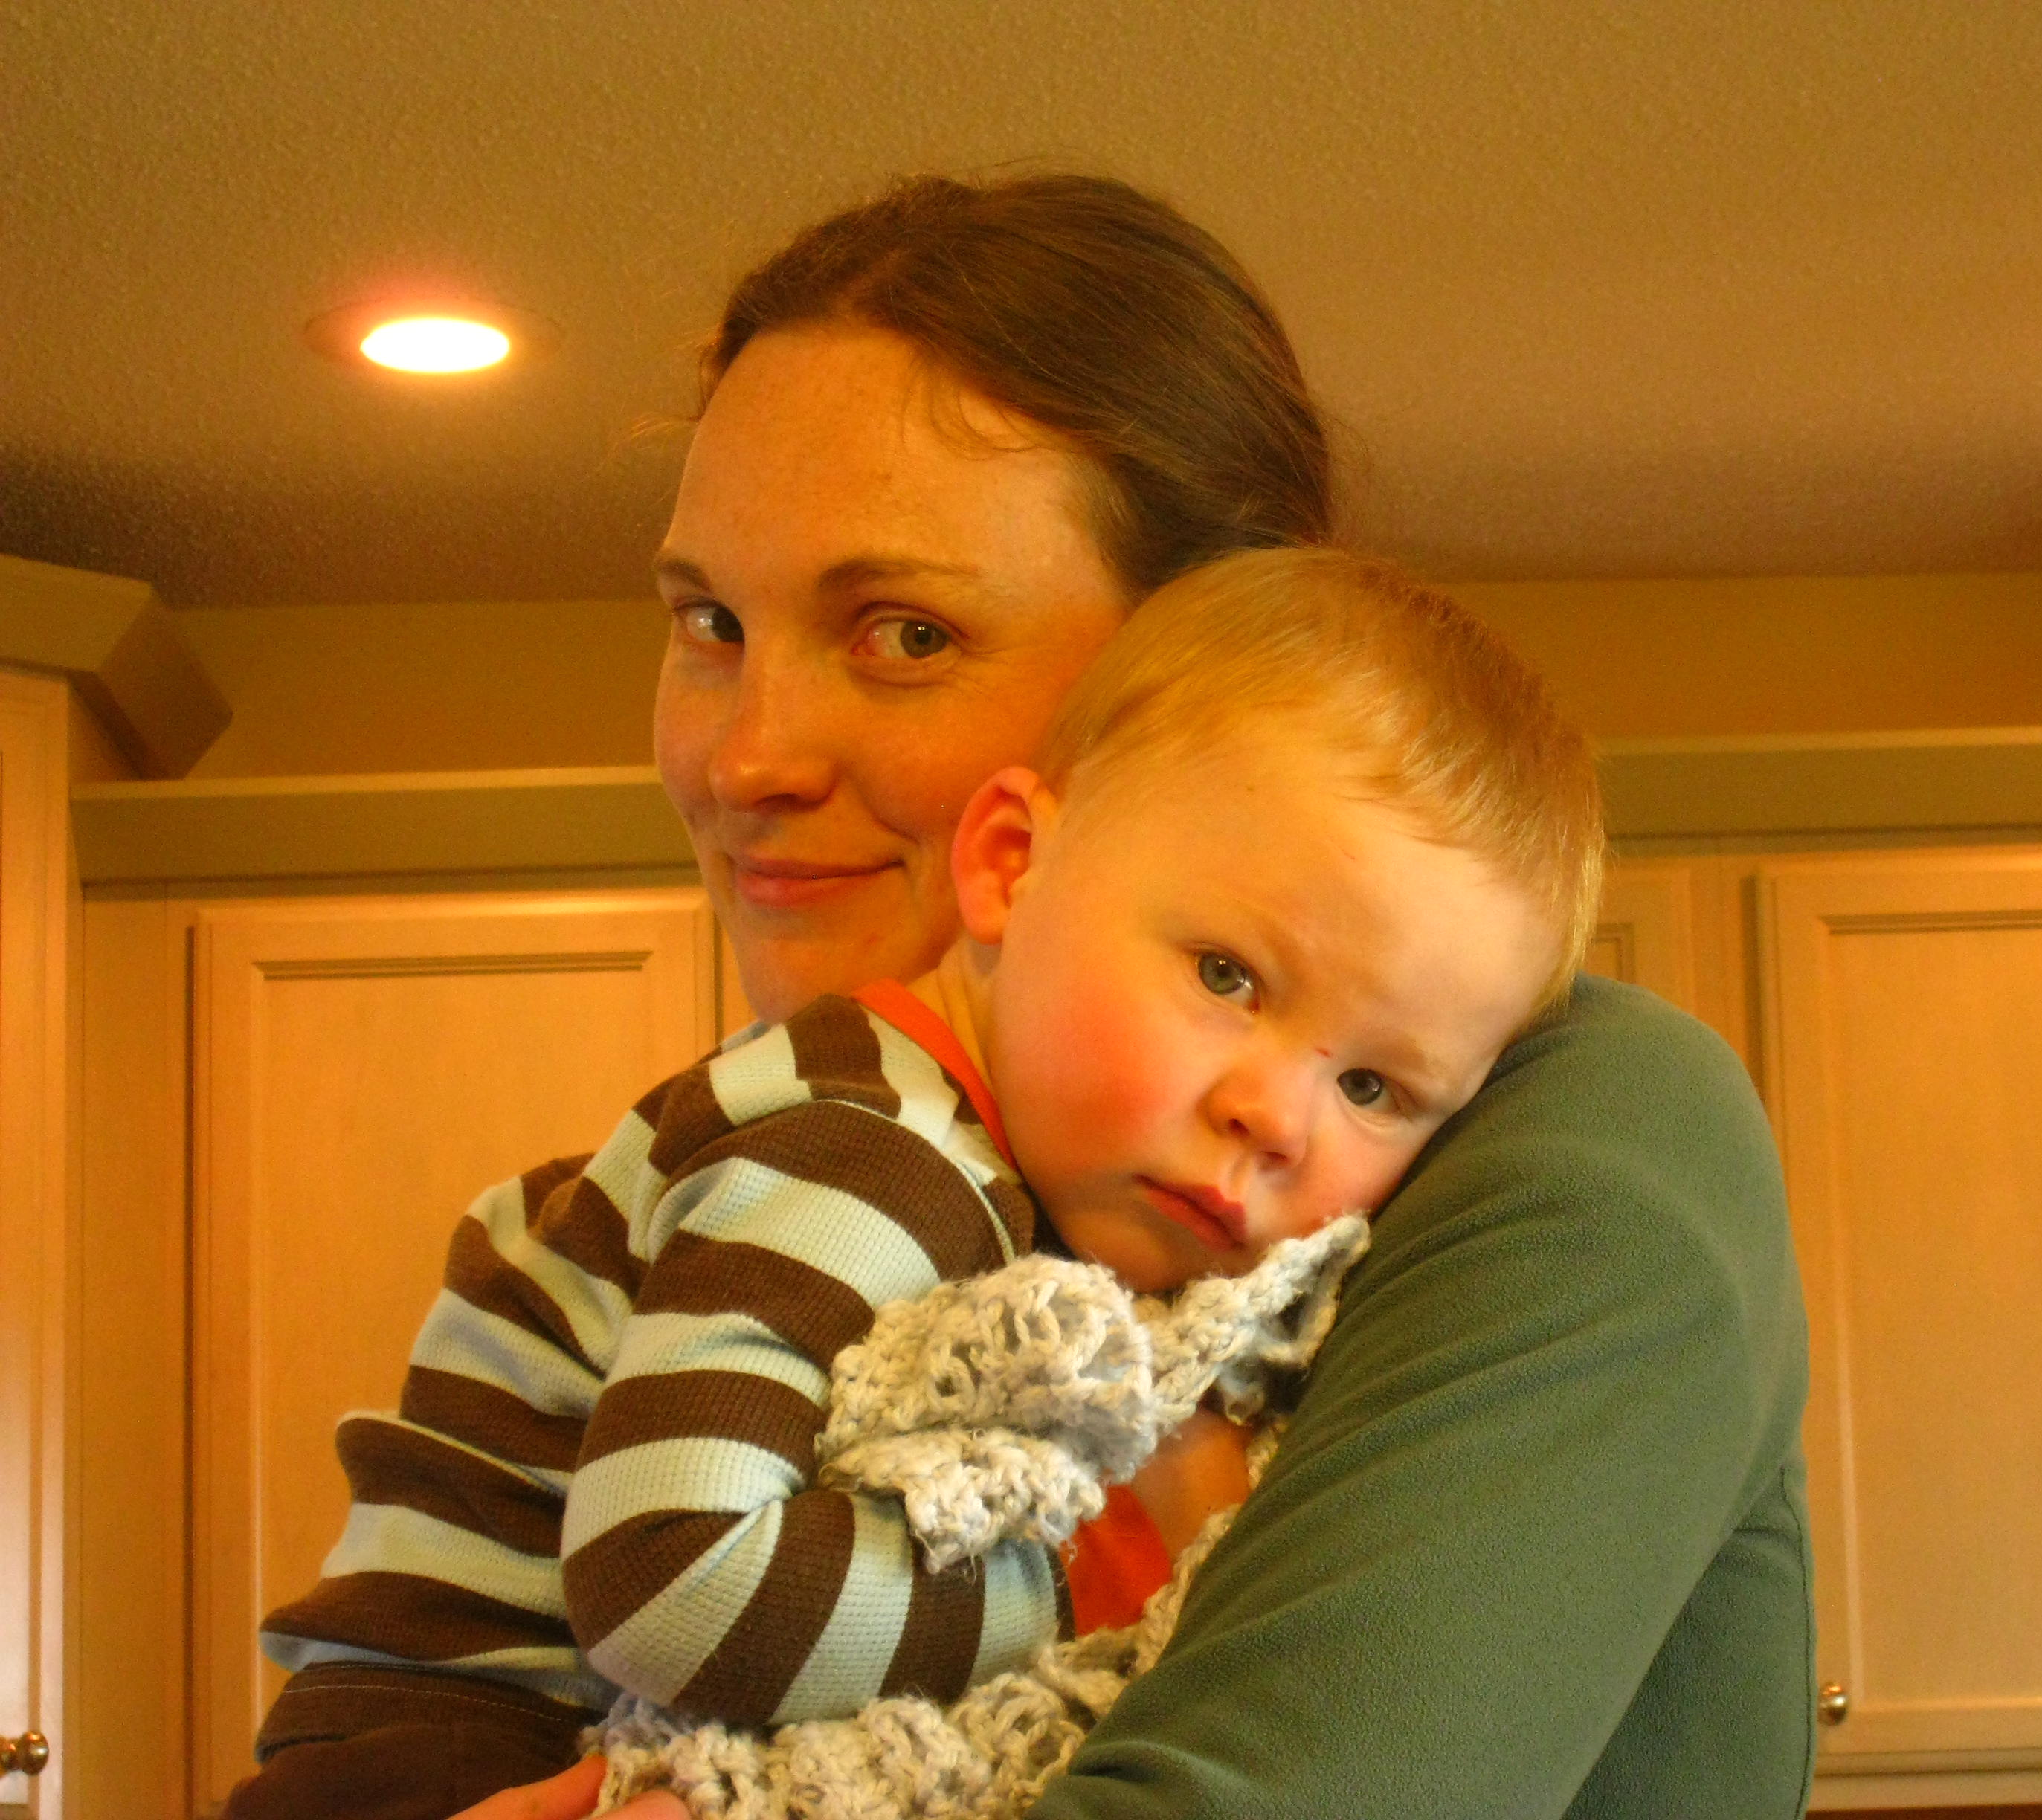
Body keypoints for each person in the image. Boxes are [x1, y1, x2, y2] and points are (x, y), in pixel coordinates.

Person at [231, 173, 1811, 1820]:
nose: (745, 758)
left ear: (1226, 655)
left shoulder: (1571, 1130)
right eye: (710, 622)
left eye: (906, 633)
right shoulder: (706, 1208)